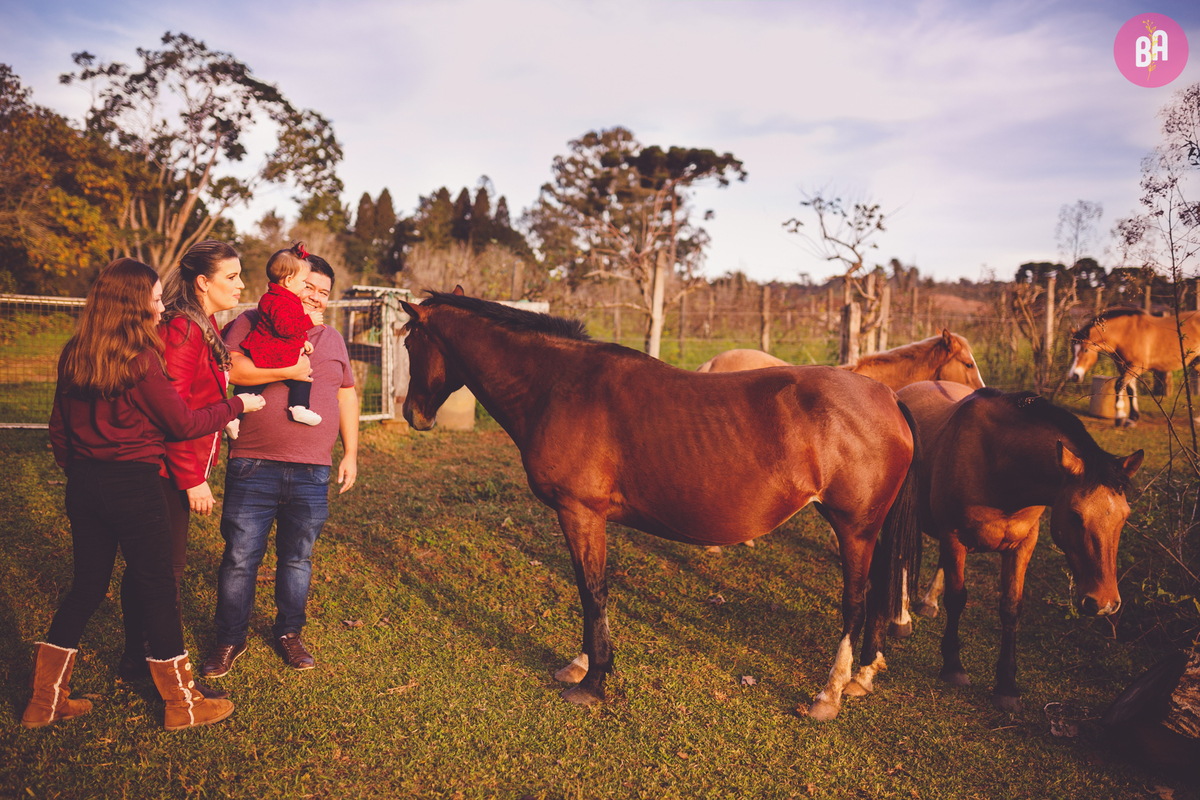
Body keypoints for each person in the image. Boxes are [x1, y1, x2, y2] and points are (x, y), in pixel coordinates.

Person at [26, 258, 265, 731]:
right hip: (133, 485)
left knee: (86, 588)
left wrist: (80, 470)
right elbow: (181, 422)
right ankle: (183, 703)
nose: (161, 309)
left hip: (84, 485)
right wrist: (237, 403)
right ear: (133, 304)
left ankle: (44, 702)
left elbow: (58, 430)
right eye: (155, 300)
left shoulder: (75, 351)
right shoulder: (141, 359)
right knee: (158, 587)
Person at [118, 240, 304, 698]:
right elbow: (173, 412)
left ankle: (135, 659)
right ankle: (158, 667)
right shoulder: (183, 329)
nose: (242, 284)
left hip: (168, 468)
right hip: (164, 471)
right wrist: (191, 476)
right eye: (232, 277)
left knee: (151, 565)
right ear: (203, 283)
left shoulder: (200, 324)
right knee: (166, 570)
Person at [201, 253, 358, 678]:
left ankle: (289, 633)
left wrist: (352, 452)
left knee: (297, 559)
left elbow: (346, 394)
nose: (316, 297)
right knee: (239, 557)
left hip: (312, 470)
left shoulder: (333, 340)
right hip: (254, 463)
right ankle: (229, 638)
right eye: (310, 286)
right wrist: (290, 365)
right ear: (291, 282)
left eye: (324, 292)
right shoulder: (253, 321)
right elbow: (232, 370)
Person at [228, 242, 321, 437]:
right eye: (304, 281)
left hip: (279, 349)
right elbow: (284, 327)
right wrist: (308, 321)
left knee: (295, 378)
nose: (305, 285)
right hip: (270, 350)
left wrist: (302, 340)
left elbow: (291, 327)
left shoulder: (287, 299)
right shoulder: (275, 300)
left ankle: (298, 407)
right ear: (288, 280)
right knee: (257, 384)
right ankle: (235, 416)